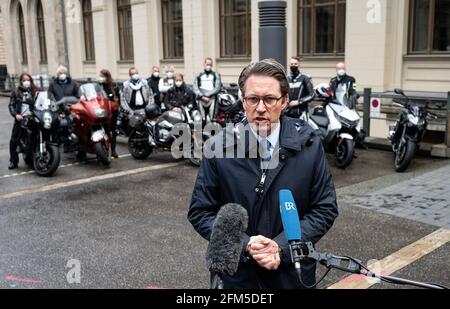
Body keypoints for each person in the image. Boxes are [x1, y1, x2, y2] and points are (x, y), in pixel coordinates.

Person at [188, 59, 338, 289]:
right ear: (243, 100)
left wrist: (281, 246)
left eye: (269, 99)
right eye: (252, 99)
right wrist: (246, 244)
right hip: (236, 276)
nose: (260, 108)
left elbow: (324, 208)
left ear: (285, 101)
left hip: (292, 274)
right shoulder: (218, 148)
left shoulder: (310, 145)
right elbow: (200, 212)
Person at [8, 73, 38, 170]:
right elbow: (11, 105)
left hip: (33, 118)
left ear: (31, 81)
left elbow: (42, 102)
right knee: (14, 140)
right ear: (21, 81)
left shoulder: (36, 91)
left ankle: (33, 158)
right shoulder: (16, 92)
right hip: (20, 118)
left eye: (28, 80)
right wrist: (15, 114)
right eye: (24, 80)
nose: (26, 82)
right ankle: (13, 161)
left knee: (34, 138)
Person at [48, 65, 80, 153]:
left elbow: (78, 95)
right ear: (57, 75)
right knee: (61, 126)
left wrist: (74, 102)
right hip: (58, 108)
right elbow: (50, 95)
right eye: (60, 73)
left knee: (72, 125)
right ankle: (61, 144)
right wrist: (54, 102)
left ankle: (73, 144)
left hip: (71, 108)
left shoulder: (73, 83)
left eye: (64, 73)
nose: (62, 75)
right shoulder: (53, 84)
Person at [98, 69, 120, 159]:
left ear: (107, 77)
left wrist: (116, 107)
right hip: (101, 112)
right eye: (100, 76)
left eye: (102, 76)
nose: (100, 78)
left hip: (112, 113)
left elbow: (118, 98)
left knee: (112, 132)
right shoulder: (98, 86)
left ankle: (113, 151)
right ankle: (104, 151)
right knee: (103, 132)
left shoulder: (113, 86)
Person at [193, 57, 222, 123]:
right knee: (202, 119)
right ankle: (202, 132)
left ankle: (212, 132)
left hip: (212, 99)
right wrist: (202, 96)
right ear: (204, 64)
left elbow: (217, 87)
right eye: (207, 64)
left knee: (212, 119)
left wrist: (207, 95)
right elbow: (195, 87)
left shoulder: (216, 75)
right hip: (201, 99)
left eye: (210, 64)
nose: (208, 66)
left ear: (212, 65)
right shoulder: (198, 75)